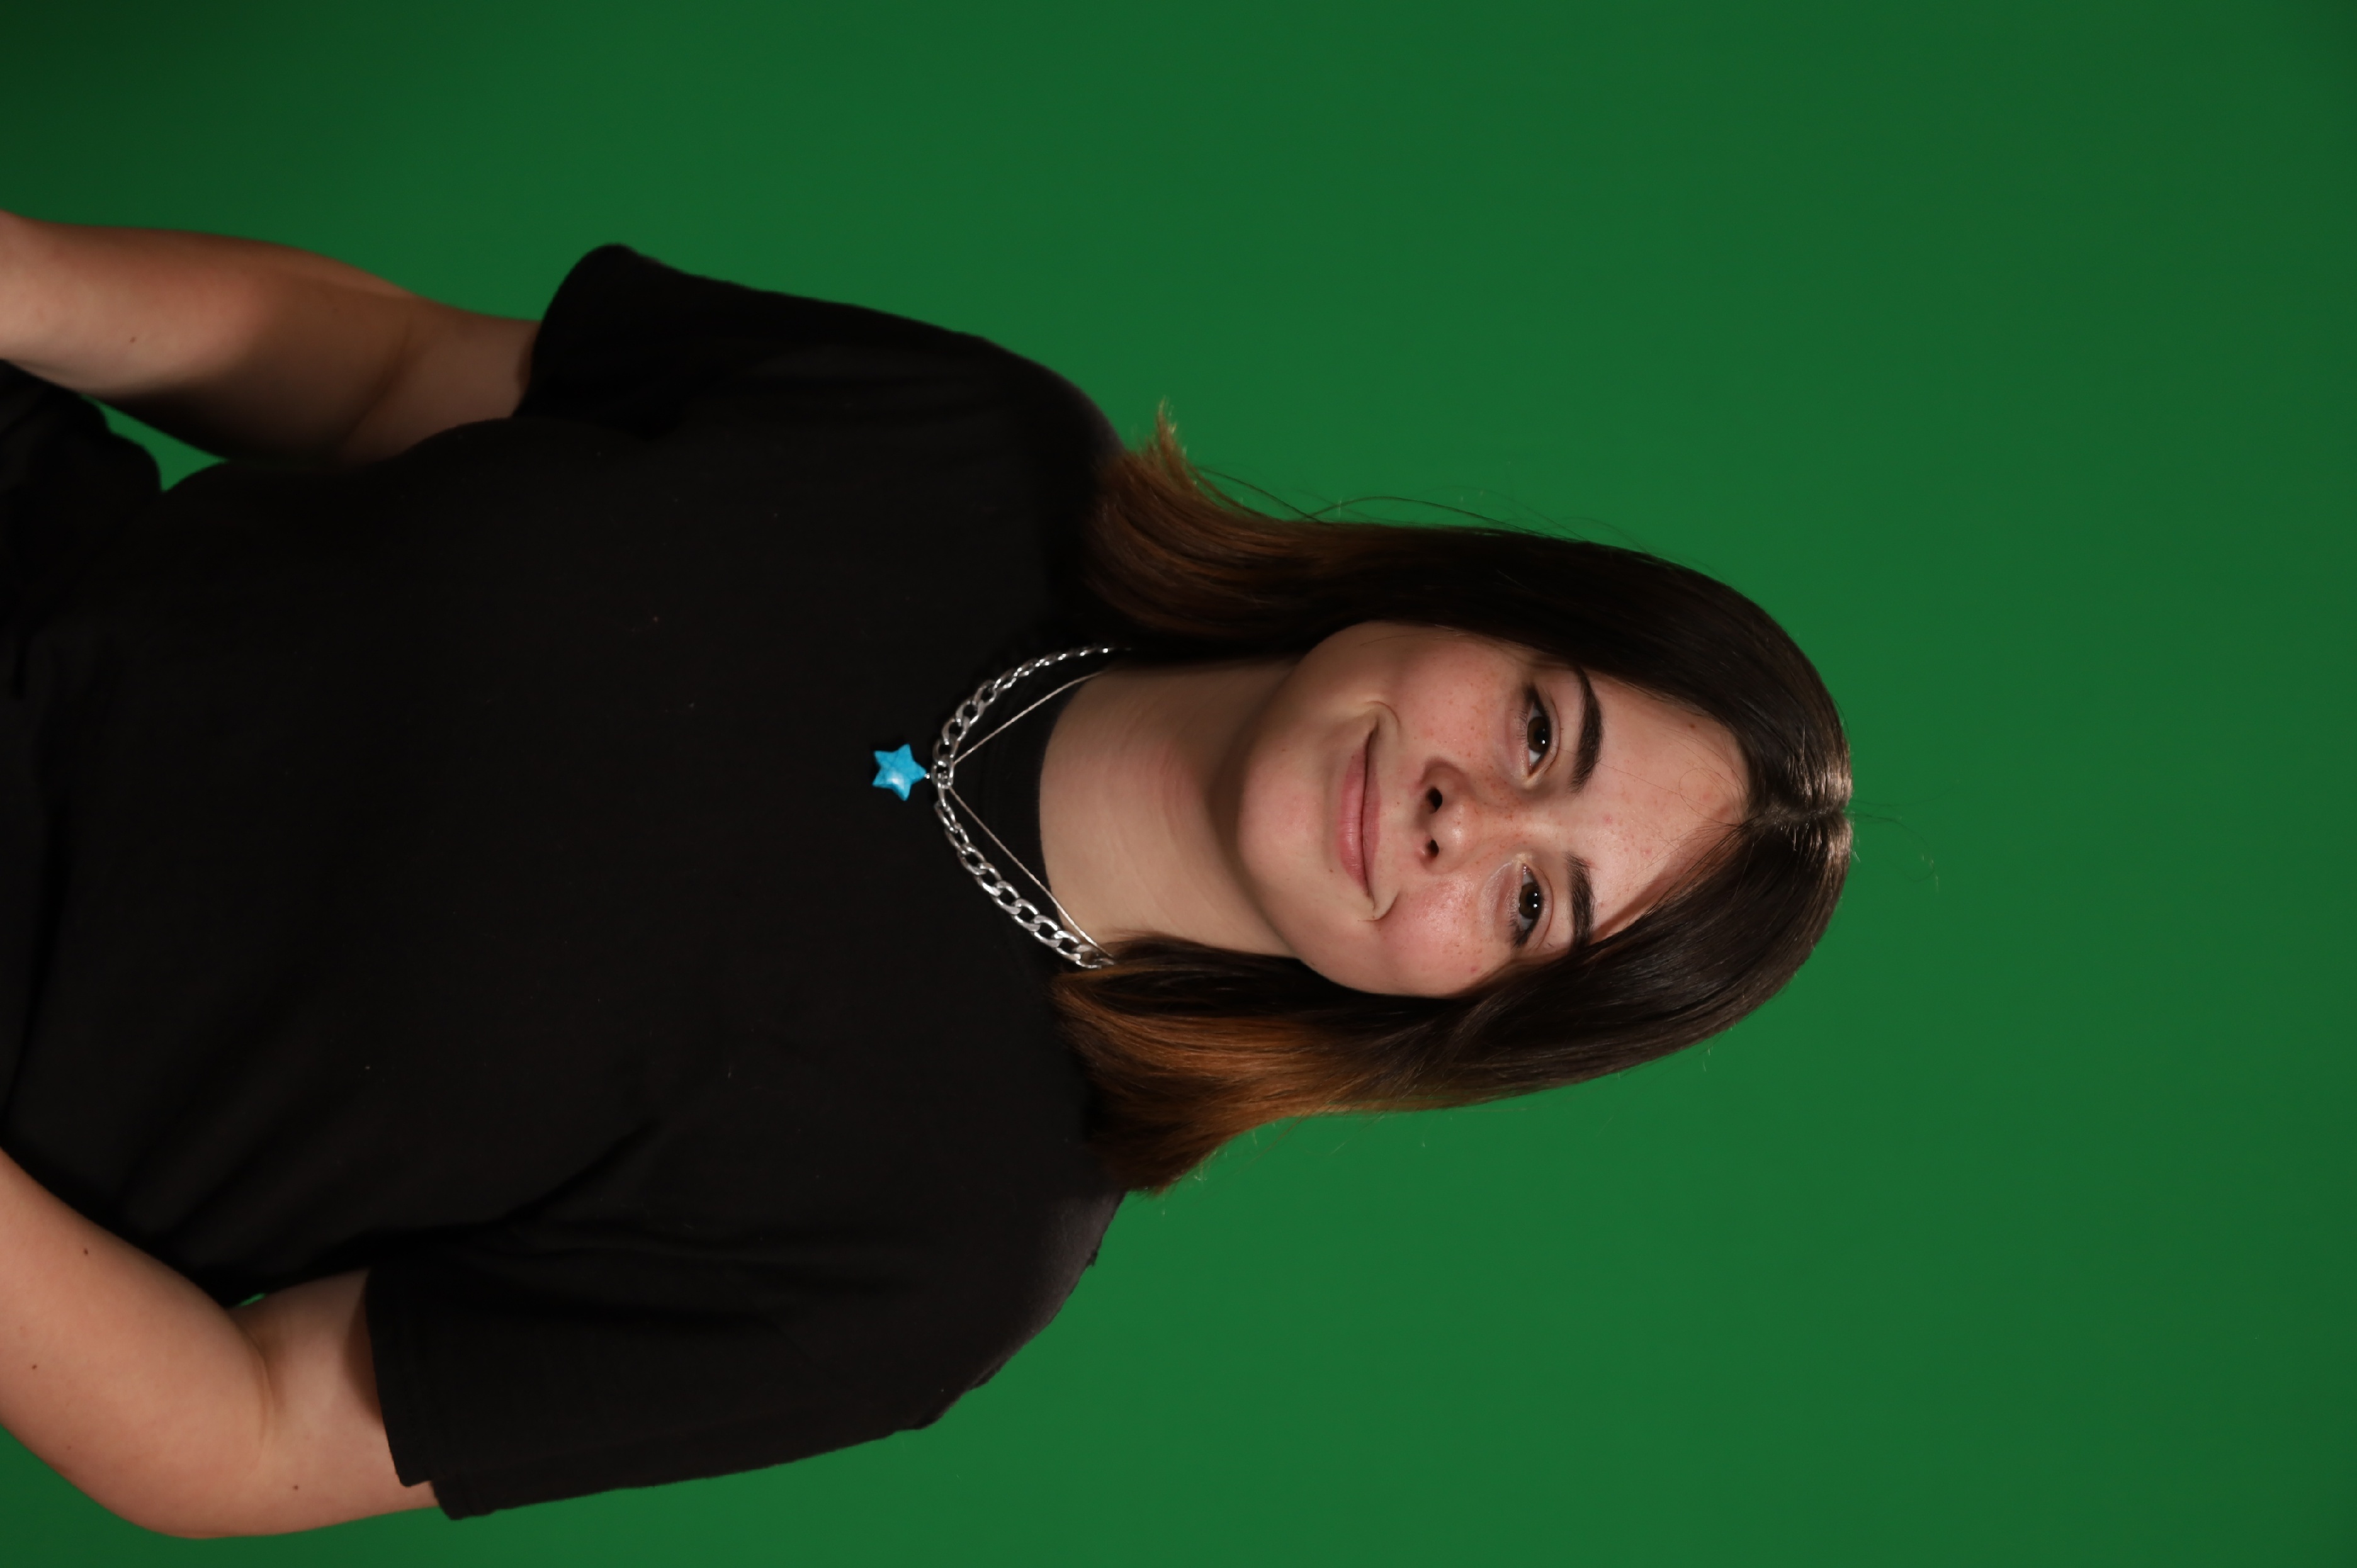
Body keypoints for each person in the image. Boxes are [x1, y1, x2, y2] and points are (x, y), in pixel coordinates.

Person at [0, 214, 1851, 1537]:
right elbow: (392, 372)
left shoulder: (932, 1262)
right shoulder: (985, 439)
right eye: (1538, 730)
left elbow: (246, 1434)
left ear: (1455, 1020)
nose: (1464, 816)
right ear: (1474, 602)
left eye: (1532, 908)